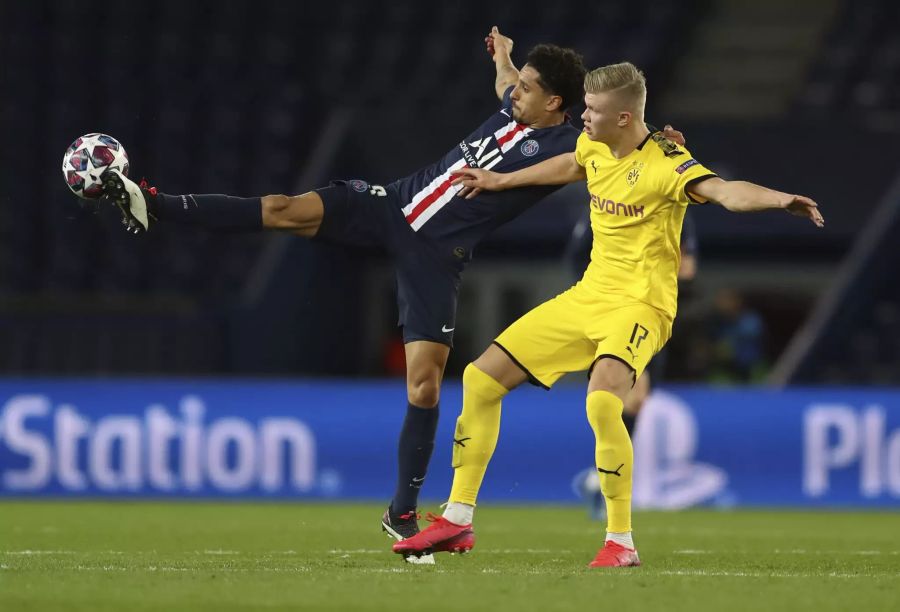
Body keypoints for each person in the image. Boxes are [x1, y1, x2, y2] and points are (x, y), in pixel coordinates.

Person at [94, 28, 681, 562]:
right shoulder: (512, 105)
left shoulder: (573, 146)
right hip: (390, 205)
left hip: (435, 257)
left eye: (528, 88)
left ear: (555, 102)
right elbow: (505, 82)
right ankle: (156, 205)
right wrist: (503, 59)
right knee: (283, 209)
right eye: (518, 84)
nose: (515, 93)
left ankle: (402, 512)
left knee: (425, 382)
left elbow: (630, 148)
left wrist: (663, 142)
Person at [393, 61, 823, 567]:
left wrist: (782, 200)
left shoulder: (668, 163)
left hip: (642, 304)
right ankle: (457, 520)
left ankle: (620, 542)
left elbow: (725, 192)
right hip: (589, 295)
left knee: (602, 404)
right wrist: (499, 179)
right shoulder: (594, 143)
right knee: (481, 379)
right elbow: (572, 164)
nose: (583, 116)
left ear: (624, 117)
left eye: (593, 110)